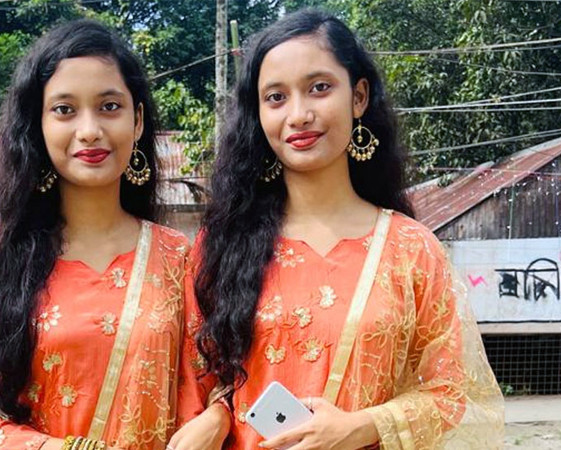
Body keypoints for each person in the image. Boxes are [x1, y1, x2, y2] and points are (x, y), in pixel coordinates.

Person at [171, 9, 504, 450]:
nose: (299, 114)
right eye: (276, 97)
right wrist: (217, 413)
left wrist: (360, 426)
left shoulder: (410, 249)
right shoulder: (222, 247)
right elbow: (198, 377)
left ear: (358, 96)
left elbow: (450, 392)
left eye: (319, 88)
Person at [0, 19, 188, 450]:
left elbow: (205, 387)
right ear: (38, 124)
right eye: (65, 110)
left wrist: (215, 416)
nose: (89, 130)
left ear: (138, 120)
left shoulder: (179, 257)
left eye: (109, 106)